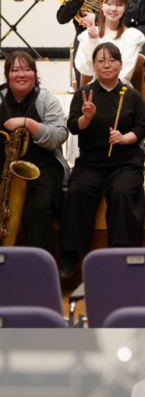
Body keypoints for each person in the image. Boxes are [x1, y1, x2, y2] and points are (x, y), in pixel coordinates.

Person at [59, 42, 145, 280]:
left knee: (121, 192)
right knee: (77, 191)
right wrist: (86, 118)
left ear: (121, 65)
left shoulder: (131, 95)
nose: (106, 65)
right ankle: (69, 255)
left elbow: (142, 128)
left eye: (112, 60)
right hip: (91, 162)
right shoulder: (83, 94)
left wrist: (125, 138)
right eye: (101, 61)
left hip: (125, 162)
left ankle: (121, 257)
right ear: (93, 66)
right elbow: (73, 127)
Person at [0, 51, 68, 255]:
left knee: (36, 208)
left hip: (43, 170)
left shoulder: (47, 100)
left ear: (34, 74)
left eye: (27, 69)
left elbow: (59, 135)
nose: (21, 74)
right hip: (4, 171)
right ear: (7, 75)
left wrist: (28, 123)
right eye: (15, 70)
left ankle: (41, 269)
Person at [75, 0, 145, 87]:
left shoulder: (133, 36)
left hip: (121, 89)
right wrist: (93, 41)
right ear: (101, 6)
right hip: (95, 89)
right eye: (109, 3)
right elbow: (87, 70)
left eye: (119, 4)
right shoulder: (88, 35)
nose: (113, 9)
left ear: (125, 8)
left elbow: (125, 73)